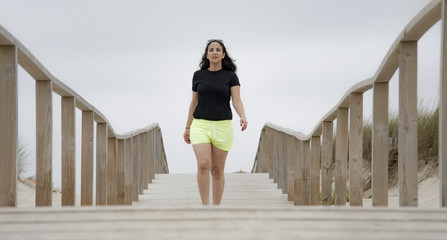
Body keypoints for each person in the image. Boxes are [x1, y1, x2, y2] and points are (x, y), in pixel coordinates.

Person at [183, 39, 248, 206]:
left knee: (217, 170)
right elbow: (194, 102)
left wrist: (243, 116)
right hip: (200, 124)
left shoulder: (231, 76)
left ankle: (216, 208)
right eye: (211, 49)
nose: (214, 52)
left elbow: (237, 100)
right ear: (207, 54)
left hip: (223, 126)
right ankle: (205, 207)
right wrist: (187, 127)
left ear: (223, 54)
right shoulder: (198, 75)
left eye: (218, 49)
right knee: (204, 164)